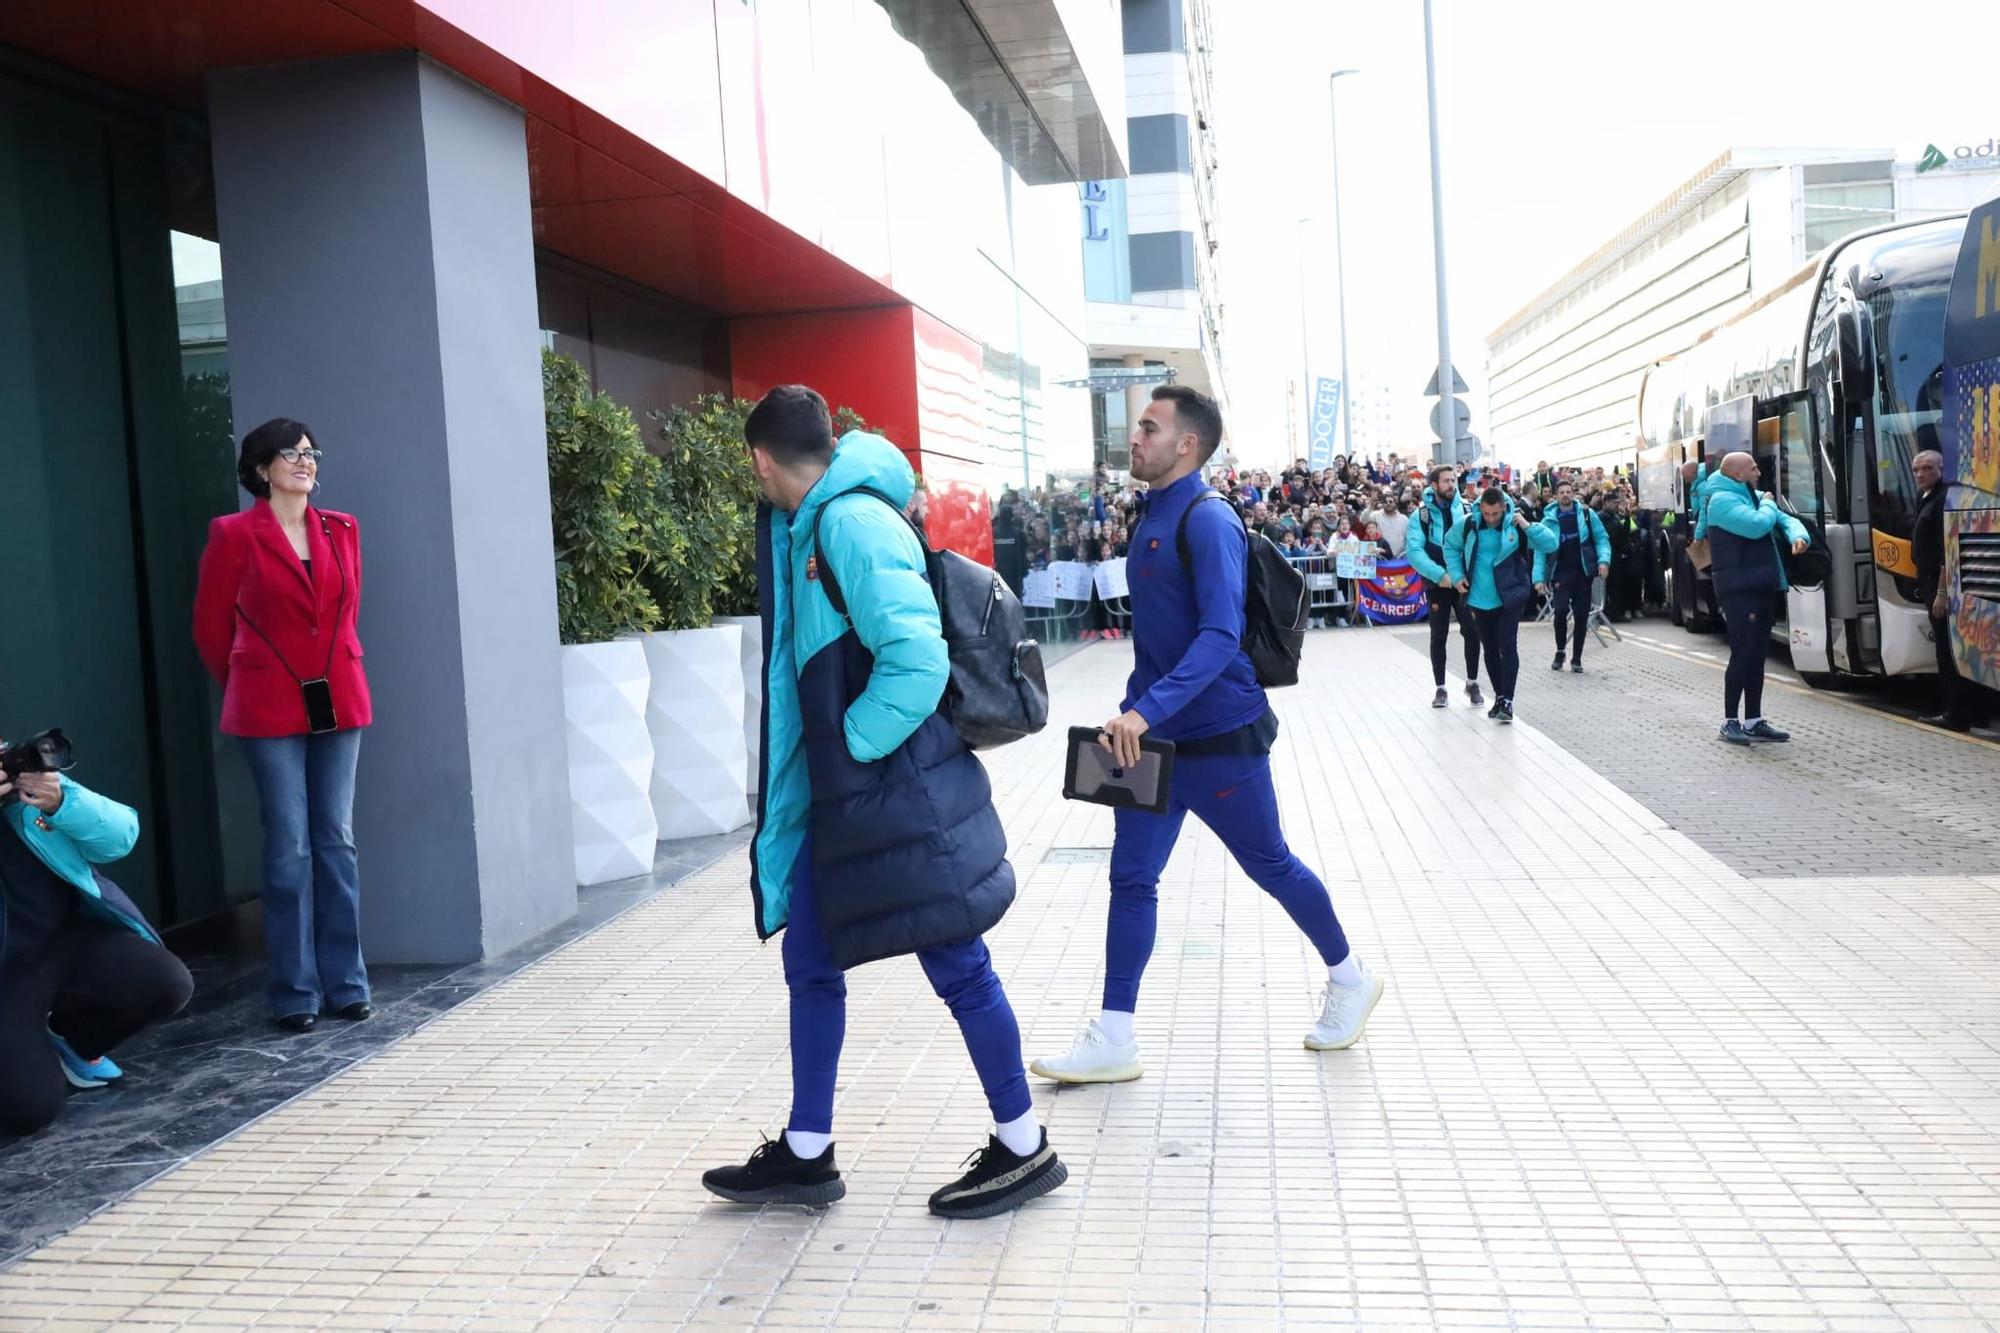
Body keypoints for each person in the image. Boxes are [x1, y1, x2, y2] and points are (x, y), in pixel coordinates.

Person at [701, 385, 1065, 1219]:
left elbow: (917, 659)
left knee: (958, 964)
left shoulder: (847, 524)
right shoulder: (823, 521)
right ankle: (806, 1152)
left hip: (892, 792)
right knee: (813, 961)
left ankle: (1023, 1144)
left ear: (760, 459)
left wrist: (850, 746)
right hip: (864, 799)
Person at [1032, 385, 1381, 1086]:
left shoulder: (1207, 518)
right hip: (1152, 738)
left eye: (1149, 427)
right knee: (1131, 878)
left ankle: (1351, 976)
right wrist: (1133, 712)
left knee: (1270, 864)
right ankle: (1115, 1034)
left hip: (1219, 734)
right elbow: (1159, 640)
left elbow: (1222, 636)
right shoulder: (1150, 514)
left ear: (1186, 444)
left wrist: (1145, 709)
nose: (1135, 437)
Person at [193, 419, 371, 1034]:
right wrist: (251, 677)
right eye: (289, 454)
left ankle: (347, 983)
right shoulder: (233, 533)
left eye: (310, 452)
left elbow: (345, 615)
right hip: (267, 702)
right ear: (262, 468)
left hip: (339, 694)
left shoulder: (341, 528)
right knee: (289, 845)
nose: (304, 461)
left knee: (336, 840)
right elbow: (211, 628)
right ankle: (295, 990)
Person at [0, 755, 193, 1136]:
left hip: (66, 939)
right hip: (7, 972)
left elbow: (120, 837)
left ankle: (71, 1041)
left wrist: (62, 800)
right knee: (30, 1109)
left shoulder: (26, 791)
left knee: (167, 982)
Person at [1696, 451, 1808, 744]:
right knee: (1743, 652)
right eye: (1753, 468)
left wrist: (1800, 537)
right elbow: (1759, 524)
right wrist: (1769, 503)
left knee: (1757, 655)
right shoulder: (1721, 501)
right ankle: (1729, 720)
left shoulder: (1752, 496)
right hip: (1739, 589)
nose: (1758, 471)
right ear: (1737, 474)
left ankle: (1754, 720)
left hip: (1761, 584)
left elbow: (1785, 520)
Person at [1446, 487, 1559, 724]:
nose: (1490, 519)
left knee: (1507, 646)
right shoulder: (1469, 524)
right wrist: (1457, 576)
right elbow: (1450, 545)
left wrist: (1527, 525)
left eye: (1495, 514)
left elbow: (1550, 544)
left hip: (1509, 597)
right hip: (1478, 598)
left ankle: (1507, 700)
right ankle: (1498, 695)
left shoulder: (1515, 523)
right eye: (1486, 513)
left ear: (1504, 508)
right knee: (1489, 649)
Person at [1405, 466, 1484, 709]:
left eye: (1453, 480)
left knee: (1472, 631)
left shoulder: (1469, 509)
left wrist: (1464, 575)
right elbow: (1415, 552)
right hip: (1438, 583)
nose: (1451, 484)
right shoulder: (1421, 516)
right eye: (1446, 481)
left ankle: (1472, 682)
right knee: (1438, 635)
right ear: (1434, 484)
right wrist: (1440, 575)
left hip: (1465, 583)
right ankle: (1440, 688)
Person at [1912, 450, 1975, 731]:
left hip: (1941, 584)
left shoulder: (1944, 500)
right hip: (1926, 580)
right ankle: (1956, 709)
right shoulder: (1925, 497)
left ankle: (1955, 713)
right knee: (1943, 648)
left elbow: (1946, 551)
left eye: (1927, 468)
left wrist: (1941, 593)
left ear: (1941, 469)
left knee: (1948, 651)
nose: (1921, 474)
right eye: (1916, 469)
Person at [1532, 480, 1612, 673]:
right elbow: (1540, 551)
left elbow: (1602, 539)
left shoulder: (1586, 515)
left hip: (1582, 574)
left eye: (1569, 492)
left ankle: (1577, 658)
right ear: (1556, 496)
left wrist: (1604, 561)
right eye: (1562, 492)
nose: (1566, 495)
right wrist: (1538, 578)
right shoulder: (1548, 521)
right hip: (1560, 574)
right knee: (1559, 612)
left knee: (1581, 617)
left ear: (1573, 494)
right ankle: (1560, 651)